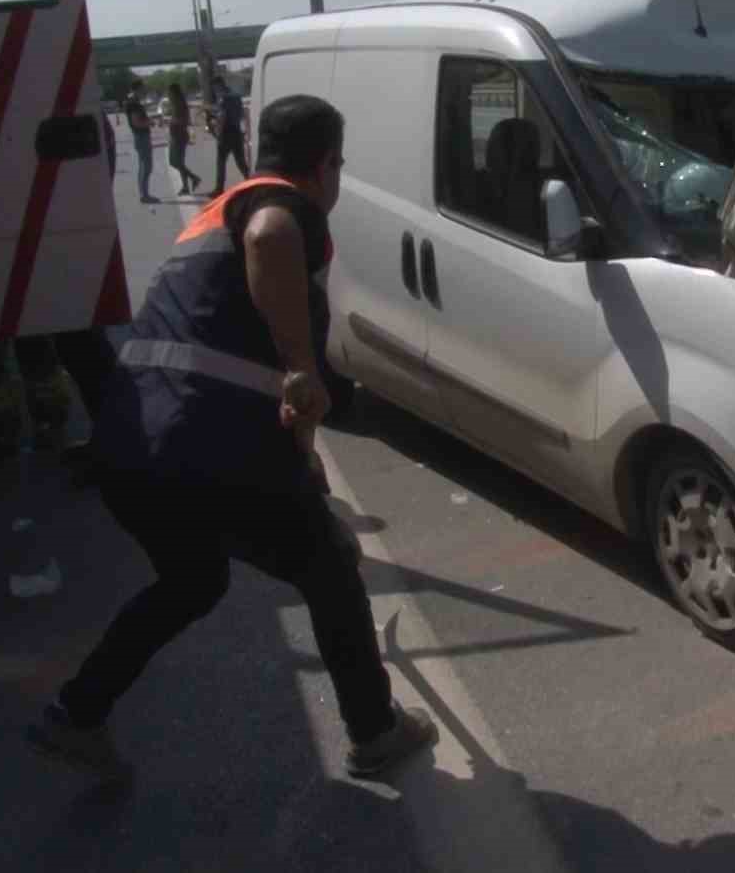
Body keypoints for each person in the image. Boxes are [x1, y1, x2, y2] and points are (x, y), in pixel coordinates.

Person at [27, 94, 438, 780]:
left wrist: (304, 464)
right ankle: (374, 731)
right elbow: (271, 237)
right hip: (205, 450)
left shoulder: (216, 212)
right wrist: (305, 368)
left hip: (129, 450)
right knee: (331, 572)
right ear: (326, 165)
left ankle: (78, 712)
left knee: (192, 580)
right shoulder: (282, 206)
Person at [208, 74, 250, 197]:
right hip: (237, 132)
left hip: (226, 134)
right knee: (241, 162)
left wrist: (218, 132)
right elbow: (243, 114)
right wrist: (244, 131)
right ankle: (252, 182)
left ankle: (219, 189)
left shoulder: (222, 98)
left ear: (218, 86)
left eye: (214, 88)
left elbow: (222, 116)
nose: (214, 91)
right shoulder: (236, 96)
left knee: (221, 163)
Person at [164, 82, 204, 196]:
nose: (168, 95)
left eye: (169, 92)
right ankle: (187, 185)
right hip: (175, 135)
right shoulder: (175, 104)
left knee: (175, 162)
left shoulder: (180, 104)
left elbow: (185, 121)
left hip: (180, 136)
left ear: (174, 93)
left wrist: (170, 121)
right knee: (176, 162)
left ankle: (193, 178)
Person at [124, 79, 158, 204]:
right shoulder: (133, 103)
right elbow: (137, 122)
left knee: (143, 166)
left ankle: (143, 194)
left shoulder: (133, 102)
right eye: (143, 89)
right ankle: (144, 195)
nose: (144, 91)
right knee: (147, 167)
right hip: (141, 137)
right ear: (137, 89)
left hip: (140, 137)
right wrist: (151, 122)